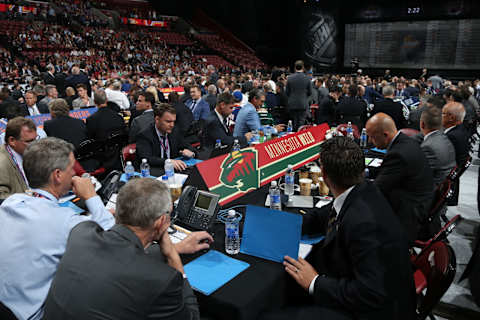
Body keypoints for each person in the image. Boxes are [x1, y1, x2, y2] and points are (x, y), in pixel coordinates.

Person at [265, 137, 415, 320]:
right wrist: (288, 226)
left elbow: (371, 293)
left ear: (324, 174)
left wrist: (314, 282)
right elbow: (326, 213)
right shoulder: (364, 190)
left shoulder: (363, 224)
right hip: (358, 284)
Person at [44, 178, 213, 319]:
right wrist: (172, 256)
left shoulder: (81, 233)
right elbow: (191, 316)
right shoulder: (162, 280)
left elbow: (121, 254)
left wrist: (177, 247)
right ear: (161, 222)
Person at [0, 137, 116, 320]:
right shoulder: (67, 223)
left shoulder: (11, 203)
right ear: (58, 175)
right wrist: (92, 197)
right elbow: (112, 240)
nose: (74, 173)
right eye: (71, 168)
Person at [366, 113, 433, 242]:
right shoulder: (405, 142)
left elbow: (377, 189)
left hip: (409, 213)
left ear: (385, 135)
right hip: (417, 199)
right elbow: (388, 173)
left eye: (372, 137)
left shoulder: (398, 154)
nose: (370, 141)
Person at [136, 103, 195, 176]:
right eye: (168, 121)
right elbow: (147, 158)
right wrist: (168, 162)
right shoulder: (145, 135)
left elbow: (188, 146)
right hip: (155, 172)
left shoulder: (174, 131)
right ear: (157, 119)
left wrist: (191, 153)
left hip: (174, 171)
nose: (172, 125)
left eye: (174, 121)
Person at [0, 117, 37, 200]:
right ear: (12, 141)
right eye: (29, 141)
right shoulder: (2, 163)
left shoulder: (29, 153)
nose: (35, 145)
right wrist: (27, 198)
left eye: (35, 139)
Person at [442, 102, 471, 206]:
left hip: (444, 183)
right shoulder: (461, 130)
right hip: (452, 179)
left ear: (451, 117)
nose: (441, 116)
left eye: (443, 113)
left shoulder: (452, 136)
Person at [419, 107, 456, 187]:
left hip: (431, 190)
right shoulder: (445, 138)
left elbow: (419, 175)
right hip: (443, 182)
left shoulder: (427, 147)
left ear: (422, 124)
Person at [285, 60, 312, 130]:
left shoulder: (290, 78)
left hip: (292, 104)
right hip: (303, 104)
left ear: (295, 67)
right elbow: (310, 92)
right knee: (301, 124)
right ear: (303, 67)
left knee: (293, 124)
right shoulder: (307, 78)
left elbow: (287, 92)